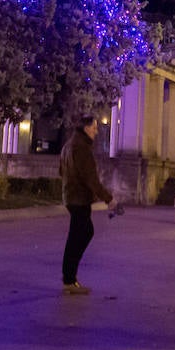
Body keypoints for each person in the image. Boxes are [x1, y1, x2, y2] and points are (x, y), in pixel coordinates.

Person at [59, 115, 116, 295]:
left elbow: (61, 170)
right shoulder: (81, 148)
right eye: (94, 128)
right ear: (85, 128)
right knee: (79, 235)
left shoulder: (69, 145)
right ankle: (69, 279)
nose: (97, 131)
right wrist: (109, 198)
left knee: (83, 233)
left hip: (71, 196)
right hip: (79, 198)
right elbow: (91, 179)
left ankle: (69, 277)